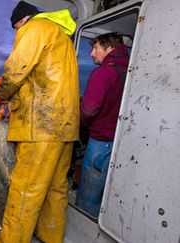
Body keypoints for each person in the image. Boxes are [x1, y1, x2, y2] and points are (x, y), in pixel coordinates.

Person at [0, 1, 79, 242]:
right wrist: (0, 81)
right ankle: (50, 237)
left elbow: (16, 70)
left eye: (16, 27)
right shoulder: (61, 37)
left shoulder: (34, 28)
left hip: (41, 126)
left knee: (25, 189)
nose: (17, 33)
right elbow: (42, 73)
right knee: (55, 190)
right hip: (65, 127)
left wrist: (0, 93)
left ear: (24, 19)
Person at [75, 32, 130, 218]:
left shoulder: (104, 72)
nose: (91, 53)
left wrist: (81, 123)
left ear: (109, 48)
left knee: (89, 195)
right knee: (106, 193)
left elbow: (89, 109)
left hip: (100, 142)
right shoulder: (128, 72)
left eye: (96, 48)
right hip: (120, 141)